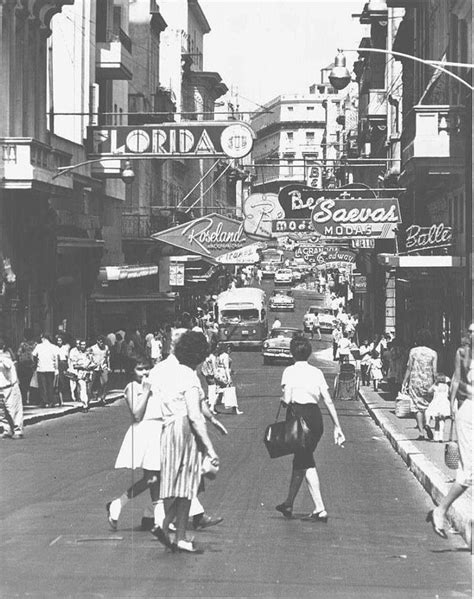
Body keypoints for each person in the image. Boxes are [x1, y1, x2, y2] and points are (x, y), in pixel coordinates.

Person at [155, 331, 219, 553]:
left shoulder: (169, 373)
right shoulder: (191, 377)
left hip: (167, 429)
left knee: (181, 486)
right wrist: (210, 448)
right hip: (185, 430)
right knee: (188, 485)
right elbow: (194, 415)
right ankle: (172, 531)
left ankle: (173, 532)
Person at [275, 335, 345, 521]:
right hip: (315, 418)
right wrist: (337, 426)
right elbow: (328, 400)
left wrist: (283, 399)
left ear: (291, 353)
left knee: (305, 462)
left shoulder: (289, 371)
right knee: (301, 460)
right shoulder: (317, 372)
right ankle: (288, 503)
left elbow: (287, 399)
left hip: (298, 419)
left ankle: (320, 509)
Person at [427, 325, 473, 540]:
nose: (471, 334)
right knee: (467, 474)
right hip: (469, 412)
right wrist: (452, 406)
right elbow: (456, 380)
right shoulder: (462, 353)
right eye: (470, 330)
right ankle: (441, 510)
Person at [106, 358, 162, 530]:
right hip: (144, 432)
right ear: (133, 371)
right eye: (140, 369)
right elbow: (136, 414)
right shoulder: (132, 387)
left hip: (159, 430)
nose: (144, 372)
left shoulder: (154, 384)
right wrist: (145, 392)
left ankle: (123, 506)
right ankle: (157, 518)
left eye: (147, 368)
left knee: (153, 478)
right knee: (154, 477)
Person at [401, 329, 437, 440]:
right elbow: (435, 371)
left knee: (417, 407)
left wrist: (404, 382)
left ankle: (421, 432)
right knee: (428, 405)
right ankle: (427, 423)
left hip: (415, 381)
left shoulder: (413, 351)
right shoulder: (433, 353)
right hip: (428, 382)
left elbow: (409, 368)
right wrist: (436, 384)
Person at [0, 337, 24, 439]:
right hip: (1, 387)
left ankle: (17, 430)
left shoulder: (6, 357)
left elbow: (8, 366)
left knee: (13, 409)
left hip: (9, 387)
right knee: (2, 411)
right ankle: (6, 429)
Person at [32, 333, 59, 408]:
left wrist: (35, 363)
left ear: (43, 338)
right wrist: (56, 369)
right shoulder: (54, 347)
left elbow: (33, 355)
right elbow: (56, 359)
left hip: (41, 368)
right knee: (50, 385)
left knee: (42, 386)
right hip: (51, 368)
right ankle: (50, 401)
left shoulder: (39, 346)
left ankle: (44, 401)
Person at [214, 343, 243, 415]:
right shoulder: (225, 356)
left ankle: (212, 406)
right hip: (223, 374)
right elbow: (226, 368)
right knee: (231, 390)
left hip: (218, 373)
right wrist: (229, 378)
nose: (229, 350)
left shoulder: (218, 355)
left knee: (219, 391)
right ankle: (234, 409)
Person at [68, 339, 93, 411]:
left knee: (88, 390)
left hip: (89, 373)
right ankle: (85, 405)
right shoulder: (76, 354)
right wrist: (82, 366)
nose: (82, 346)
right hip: (81, 373)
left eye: (84, 345)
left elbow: (93, 363)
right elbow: (74, 365)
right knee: (83, 388)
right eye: (81, 345)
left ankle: (87, 402)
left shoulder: (89, 354)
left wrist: (90, 366)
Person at [425, 374, 451, 442]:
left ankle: (435, 436)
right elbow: (449, 394)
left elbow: (429, 391)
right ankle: (441, 437)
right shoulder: (446, 386)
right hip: (444, 404)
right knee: (442, 420)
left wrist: (433, 385)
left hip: (436, 404)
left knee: (436, 420)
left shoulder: (435, 386)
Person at [16, 328, 37, 405]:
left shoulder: (23, 344)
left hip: (23, 366)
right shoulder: (36, 344)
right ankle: (32, 399)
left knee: (23, 384)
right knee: (33, 384)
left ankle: (24, 399)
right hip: (33, 366)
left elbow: (18, 354)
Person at [88, 335, 110, 405]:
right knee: (94, 382)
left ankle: (102, 397)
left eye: (103, 342)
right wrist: (92, 364)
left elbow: (108, 358)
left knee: (105, 381)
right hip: (95, 367)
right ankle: (95, 394)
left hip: (103, 367)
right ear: (97, 341)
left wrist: (109, 367)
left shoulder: (106, 348)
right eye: (100, 341)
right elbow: (90, 357)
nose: (101, 343)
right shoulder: (93, 348)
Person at [55, 334, 71, 405]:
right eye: (58, 340)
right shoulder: (55, 348)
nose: (59, 342)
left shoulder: (66, 347)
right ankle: (60, 400)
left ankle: (66, 397)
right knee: (59, 382)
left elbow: (68, 357)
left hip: (64, 365)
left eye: (60, 340)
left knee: (65, 381)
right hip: (58, 365)